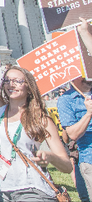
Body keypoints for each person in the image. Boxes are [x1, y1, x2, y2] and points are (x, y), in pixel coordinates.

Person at [0, 13, 71, 201]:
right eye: (7, 80)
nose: (11, 84)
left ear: (28, 86)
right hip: (4, 191)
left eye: (17, 81)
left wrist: (50, 157)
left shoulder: (41, 119)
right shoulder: (0, 109)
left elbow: (67, 165)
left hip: (33, 190)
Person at [57, 17, 92, 196]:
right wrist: (88, 114)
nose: (85, 73)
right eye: (80, 70)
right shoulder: (66, 100)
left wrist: (85, 33)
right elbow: (72, 134)